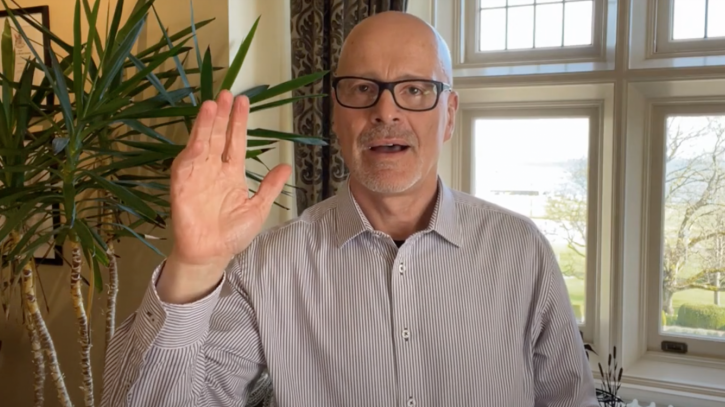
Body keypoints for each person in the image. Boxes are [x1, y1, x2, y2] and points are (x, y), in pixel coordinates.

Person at [101, 10, 599, 407]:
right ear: (335, 114)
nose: (386, 111)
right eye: (362, 89)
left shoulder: (520, 248)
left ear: (448, 115)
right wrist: (194, 266)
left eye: (415, 90)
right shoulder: (267, 265)